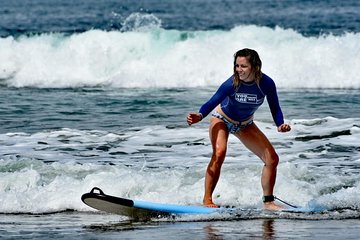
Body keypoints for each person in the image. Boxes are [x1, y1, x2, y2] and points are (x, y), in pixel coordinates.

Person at [187, 48, 291, 210]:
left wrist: (280, 124)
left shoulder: (266, 84)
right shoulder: (232, 83)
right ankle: (207, 200)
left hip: (245, 124)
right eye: (237, 66)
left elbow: (275, 108)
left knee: (272, 159)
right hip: (222, 119)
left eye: (243, 66)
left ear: (255, 67)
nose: (239, 70)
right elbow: (212, 101)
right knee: (220, 153)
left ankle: (268, 202)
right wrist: (200, 115)